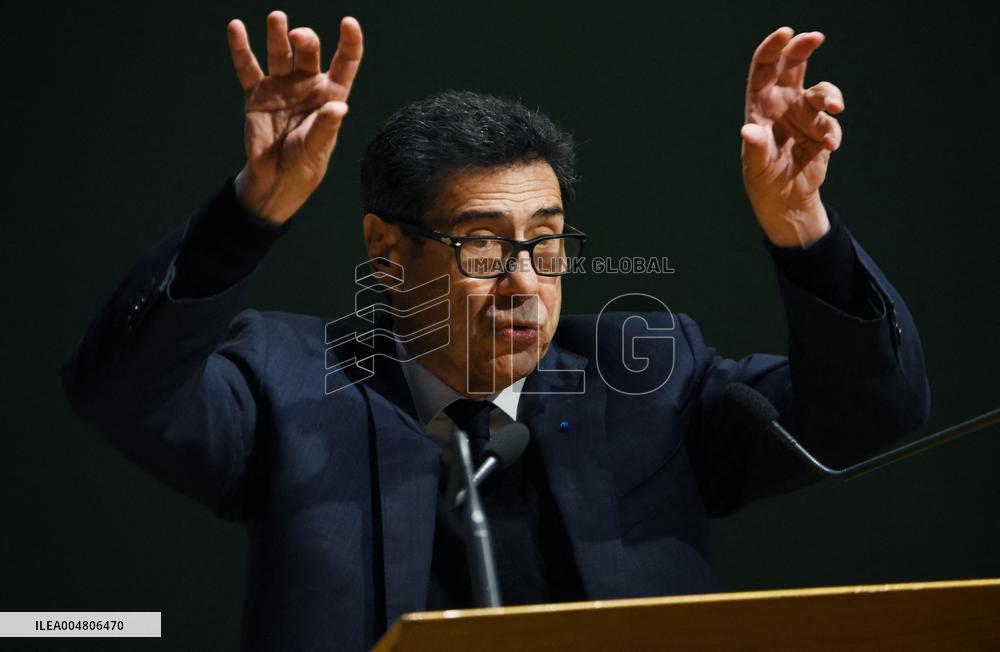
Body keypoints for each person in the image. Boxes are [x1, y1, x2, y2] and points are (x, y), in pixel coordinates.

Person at [61, 11, 930, 651]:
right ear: (387, 252)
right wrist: (251, 213)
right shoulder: (290, 383)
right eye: (482, 245)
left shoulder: (650, 384)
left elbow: (868, 413)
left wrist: (802, 224)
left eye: (547, 244)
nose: (524, 282)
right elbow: (121, 390)